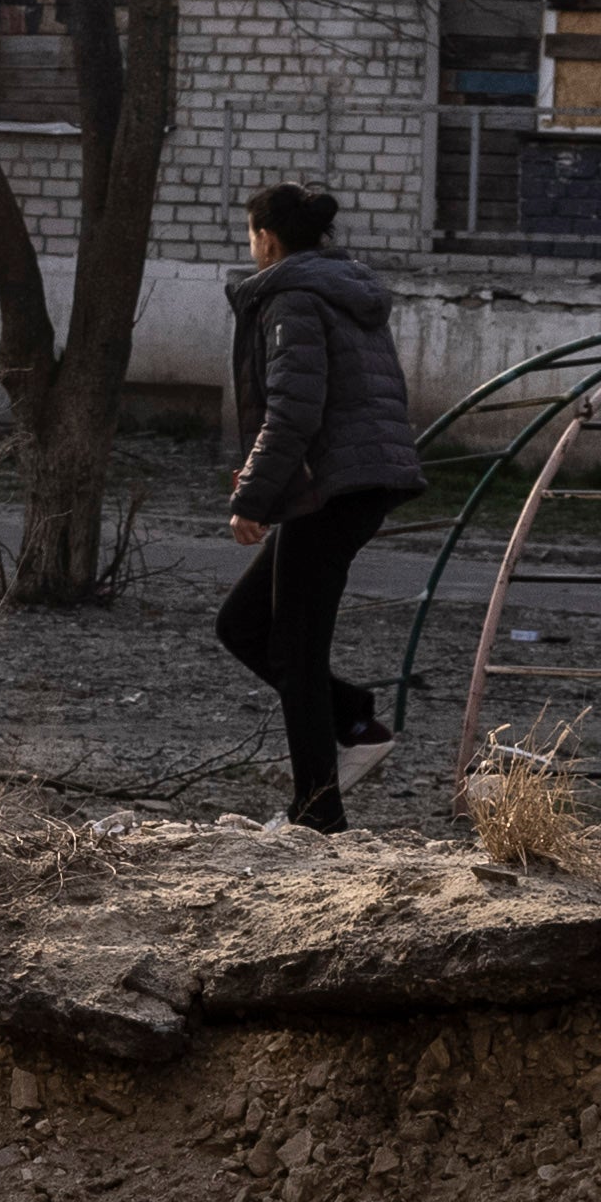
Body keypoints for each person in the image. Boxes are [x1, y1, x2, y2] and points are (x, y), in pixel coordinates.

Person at [213, 177, 424, 832]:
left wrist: (253, 495)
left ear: (266, 239)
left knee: (296, 650)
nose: (251, 248)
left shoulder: (295, 299)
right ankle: (353, 719)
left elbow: (294, 412)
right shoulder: (342, 290)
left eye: (251, 236)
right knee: (244, 625)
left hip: (334, 489)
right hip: (350, 482)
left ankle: (317, 813)